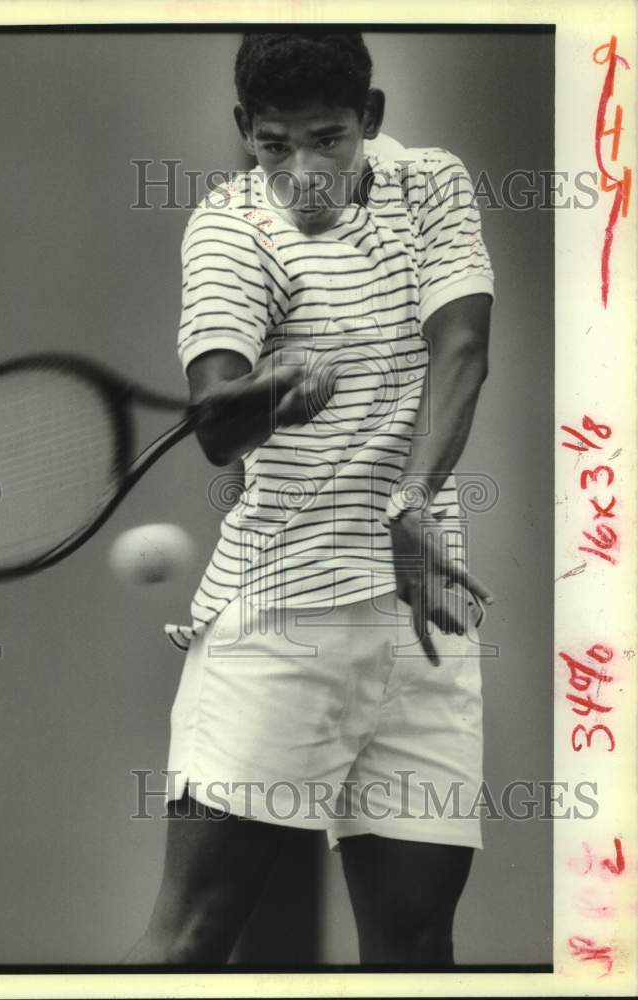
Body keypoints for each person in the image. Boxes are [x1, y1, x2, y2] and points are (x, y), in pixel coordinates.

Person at [124, 30, 495, 966]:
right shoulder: (223, 231)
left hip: (421, 620)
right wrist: (263, 396)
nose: (304, 176)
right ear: (245, 130)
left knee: (415, 943)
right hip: (280, 619)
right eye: (274, 145)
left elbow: (459, 348)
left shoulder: (434, 183)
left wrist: (412, 504)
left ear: (370, 120)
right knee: (191, 940)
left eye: (328, 140)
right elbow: (217, 426)